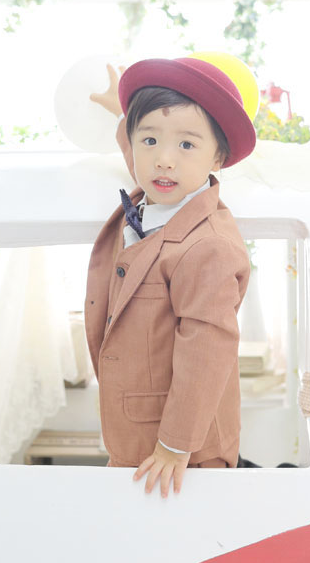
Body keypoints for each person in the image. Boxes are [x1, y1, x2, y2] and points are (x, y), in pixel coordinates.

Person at [85, 56, 257, 497]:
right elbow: (144, 150)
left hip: (184, 454)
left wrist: (175, 445)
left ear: (217, 156)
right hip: (135, 437)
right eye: (149, 140)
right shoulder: (164, 181)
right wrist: (122, 113)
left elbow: (207, 349)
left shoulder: (208, 247)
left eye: (186, 145)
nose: (163, 160)